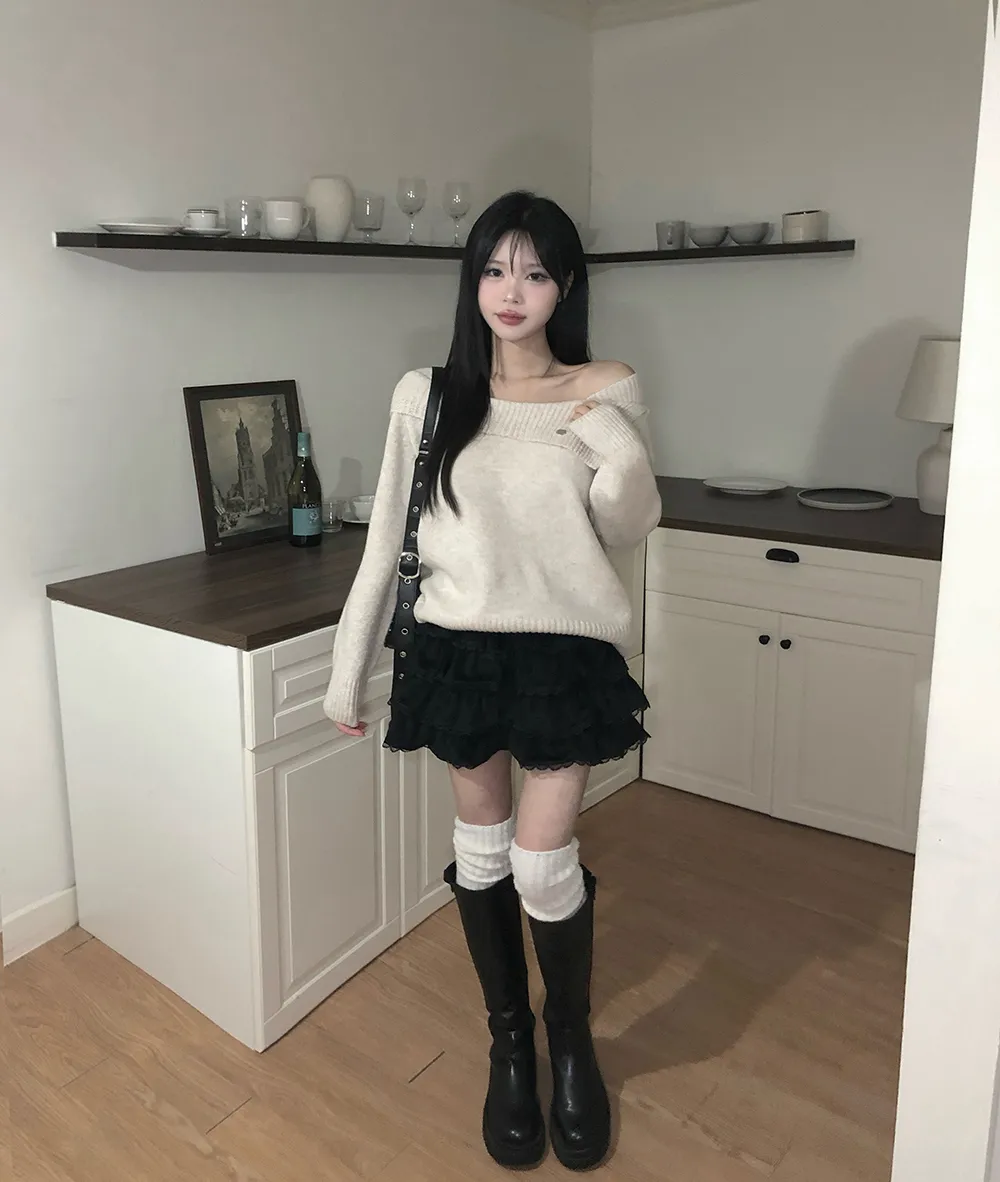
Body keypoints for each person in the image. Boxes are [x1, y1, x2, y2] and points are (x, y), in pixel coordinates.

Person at [322, 189, 662, 1171]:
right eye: (495, 269)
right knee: (481, 857)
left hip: (564, 653)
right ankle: (509, 1044)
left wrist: (617, 452)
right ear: (473, 279)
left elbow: (630, 525)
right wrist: (349, 669)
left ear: (566, 285)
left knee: (543, 863)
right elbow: (387, 540)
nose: (513, 292)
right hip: (459, 651)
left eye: (537, 272)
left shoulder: (605, 386)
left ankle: (570, 1042)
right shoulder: (426, 396)